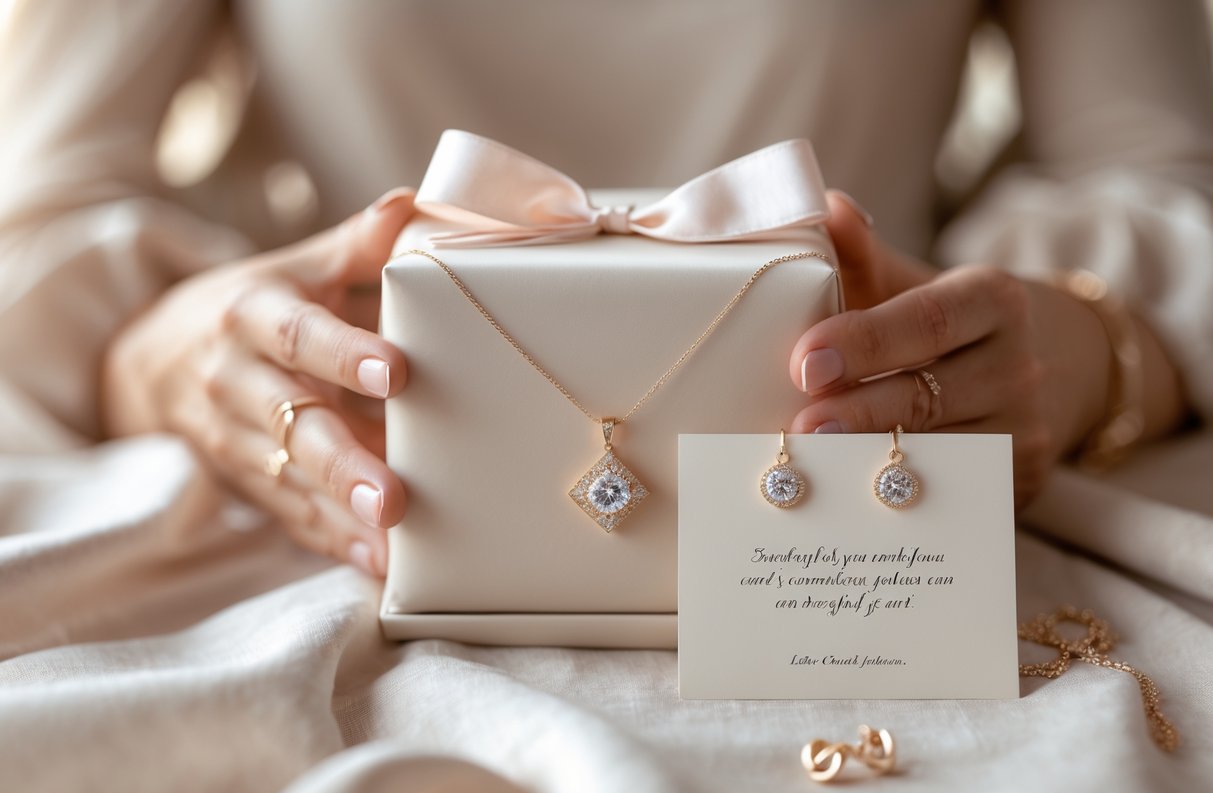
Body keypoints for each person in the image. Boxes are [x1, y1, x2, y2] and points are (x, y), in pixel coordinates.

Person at [1, 1, 1209, 579]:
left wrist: (1089, 347)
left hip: (856, 521)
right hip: (337, 518)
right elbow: (34, 219)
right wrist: (159, 355)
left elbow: (1160, 169)